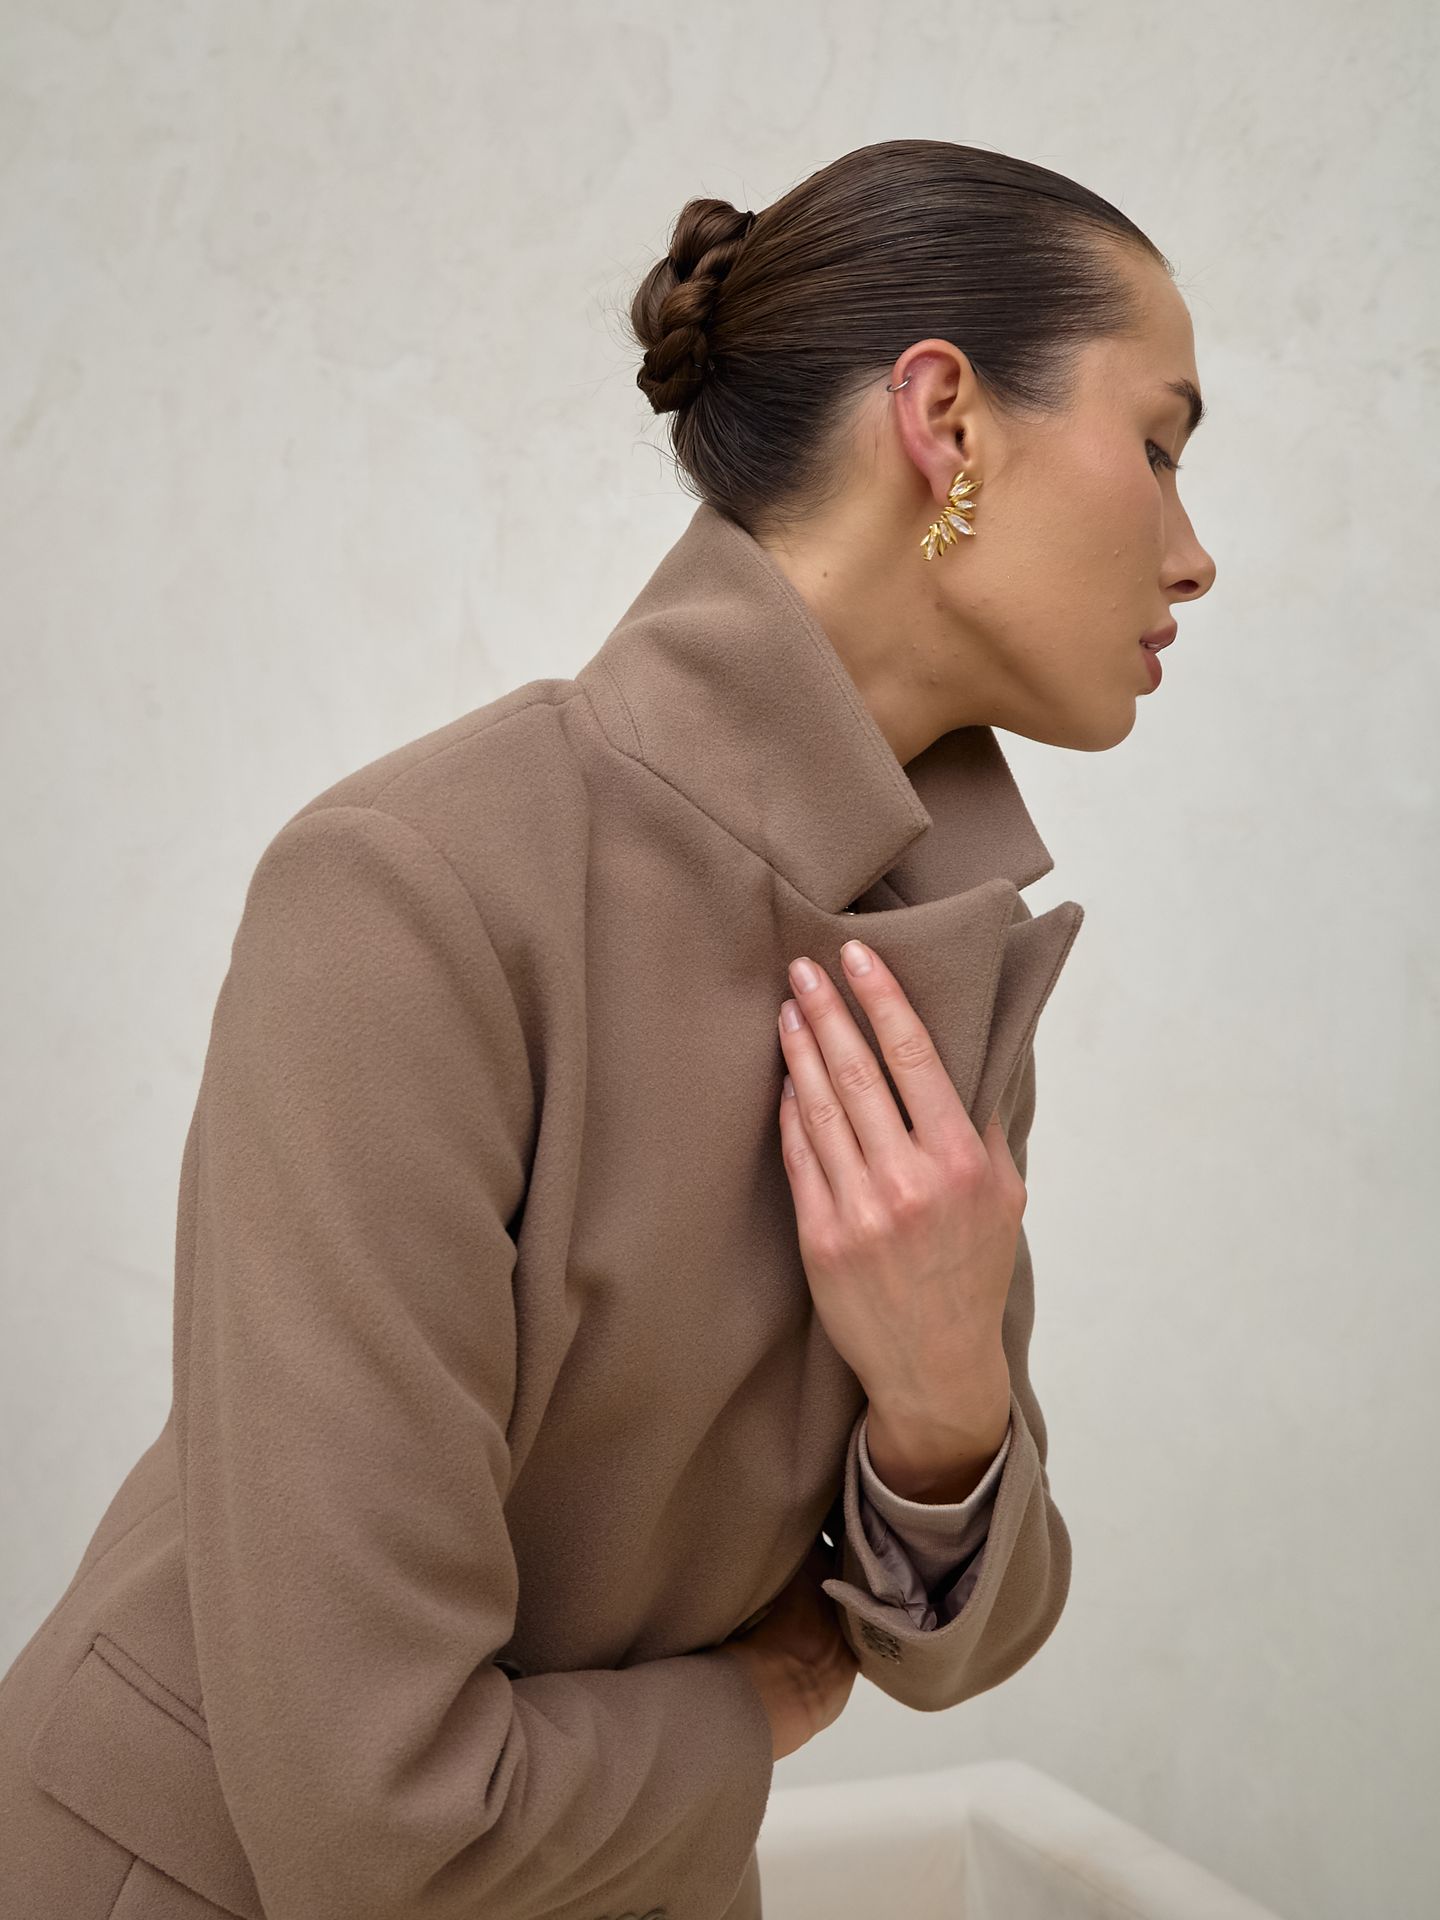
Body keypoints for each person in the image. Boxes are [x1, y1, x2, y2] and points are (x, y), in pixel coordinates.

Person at [0, 137, 1214, 1920]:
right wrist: (754, 1707)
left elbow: (969, 1641)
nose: (1195, 555)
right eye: (1162, 445)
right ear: (946, 421)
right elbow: (376, 1820)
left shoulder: (934, 932)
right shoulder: (410, 890)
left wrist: (945, 1401)